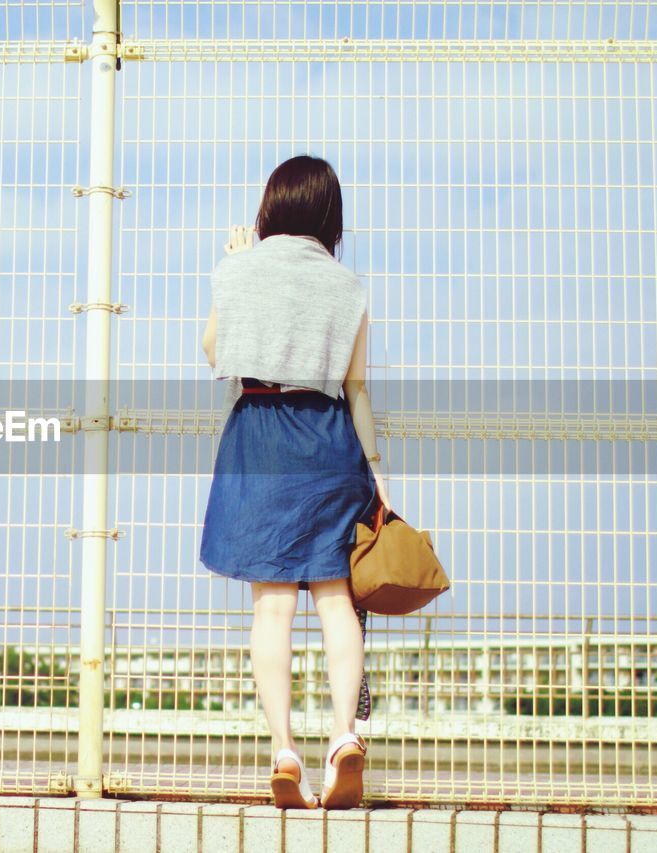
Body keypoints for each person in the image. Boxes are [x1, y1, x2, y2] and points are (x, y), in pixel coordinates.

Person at [198, 155, 391, 810]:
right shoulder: (348, 286)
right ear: (330, 214)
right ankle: (343, 737)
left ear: (271, 205)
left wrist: (232, 271)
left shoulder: (237, 269)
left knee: (272, 606)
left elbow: (215, 352)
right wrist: (378, 471)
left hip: (260, 432)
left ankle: (284, 749)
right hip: (330, 438)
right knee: (336, 600)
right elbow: (357, 387)